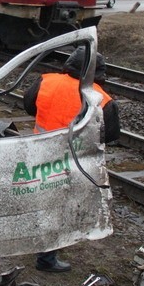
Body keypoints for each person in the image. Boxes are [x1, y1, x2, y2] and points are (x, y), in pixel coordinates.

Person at [23, 46, 121, 272]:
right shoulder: (100, 97)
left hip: (38, 151)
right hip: (69, 161)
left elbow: (29, 106)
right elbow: (112, 133)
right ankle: (46, 260)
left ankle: (30, 241)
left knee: (38, 199)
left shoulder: (47, 81)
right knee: (57, 209)